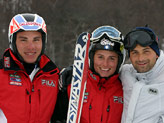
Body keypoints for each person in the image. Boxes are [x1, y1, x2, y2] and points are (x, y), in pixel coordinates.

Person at [51, 25, 126, 123]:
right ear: (91, 57)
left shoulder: (126, 88)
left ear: (119, 61)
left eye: (112, 58)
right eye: (100, 57)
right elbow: (56, 118)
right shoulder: (73, 84)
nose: (105, 64)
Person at [0, 13, 59, 123]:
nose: (31, 47)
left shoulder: (54, 76)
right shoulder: (1, 73)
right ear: (13, 42)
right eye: (24, 40)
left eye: (36, 40)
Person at [120, 26, 164, 123]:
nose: (141, 58)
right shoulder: (125, 73)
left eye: (146, 51)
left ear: (156, 53)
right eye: (135, 52)